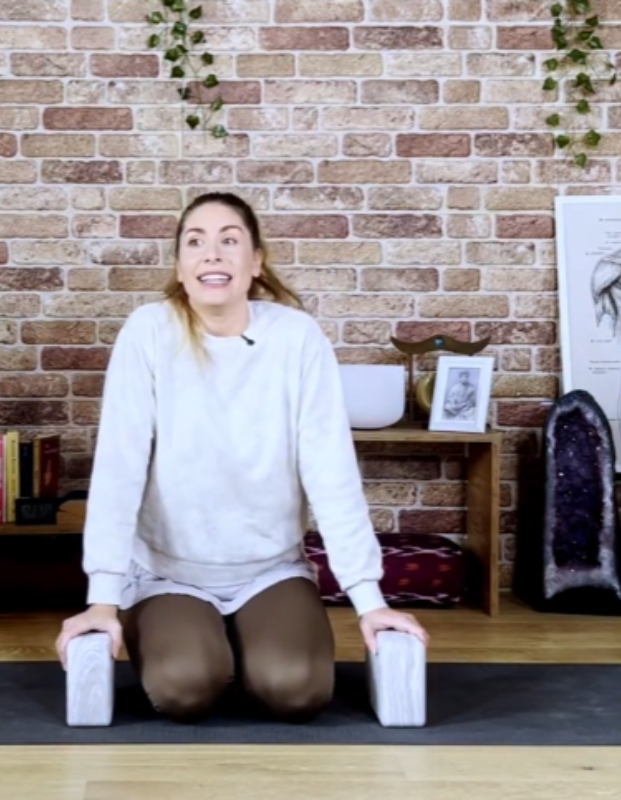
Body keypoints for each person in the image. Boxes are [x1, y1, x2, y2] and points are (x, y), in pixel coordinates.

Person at [55, 191, 429, 724]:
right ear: (180, 266)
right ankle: (202, 636)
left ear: (256, 262)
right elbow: (120, 469)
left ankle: (249, 636)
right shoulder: (149, 332)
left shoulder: (296, 338)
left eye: (229, 240)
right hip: (168, 573)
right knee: (185, 689)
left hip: (269, 571)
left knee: (295, 690)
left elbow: (331, 472)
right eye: (196, 242)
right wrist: (103, 599)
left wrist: (370, 600)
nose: (212, 253)